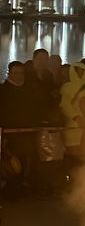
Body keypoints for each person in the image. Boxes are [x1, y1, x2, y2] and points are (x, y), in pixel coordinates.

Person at [0, 61, 45, 192]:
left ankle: (21, 186)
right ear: (10, 73)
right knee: (9, 161)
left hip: (26, 132)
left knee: (25, 160)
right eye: (16, 73)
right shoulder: (3, 90)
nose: (19, 76)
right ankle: (11, 188)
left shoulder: (29, 91)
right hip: (9, 134)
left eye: (21, 73)